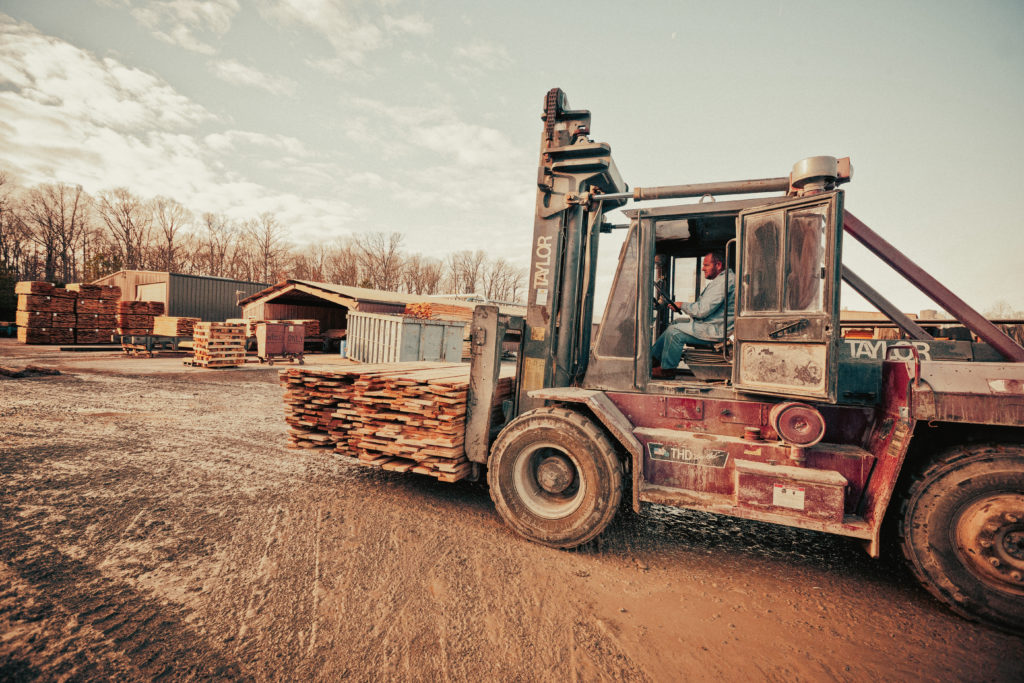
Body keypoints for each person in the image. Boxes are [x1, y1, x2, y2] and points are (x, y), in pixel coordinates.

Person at [651, 252, 735, 372]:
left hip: (718, 330)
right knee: (676, 323)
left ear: (718, 265)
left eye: (706, 265)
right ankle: (652, 359)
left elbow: (702, 311)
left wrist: (682, 305)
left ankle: (666, 370)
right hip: (714, 325)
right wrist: (681, 307)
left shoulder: (724, 282)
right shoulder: (723, 280)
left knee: (674, 332)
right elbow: (705, 308)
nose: (702, 268)